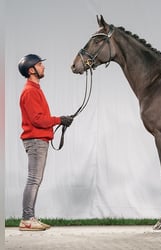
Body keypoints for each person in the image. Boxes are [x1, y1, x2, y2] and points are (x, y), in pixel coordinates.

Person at [17, 54, 73, 231]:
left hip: (38, 140)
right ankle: (27, 219)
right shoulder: (30, 91)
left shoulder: (35, 89)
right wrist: (59, 120)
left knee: (35, 179)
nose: (43, 67)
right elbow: (37, 120)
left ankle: (29, 217)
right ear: (31, 70)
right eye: (40, 65)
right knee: (34, 179)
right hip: (35, 140)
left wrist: (60, 120)